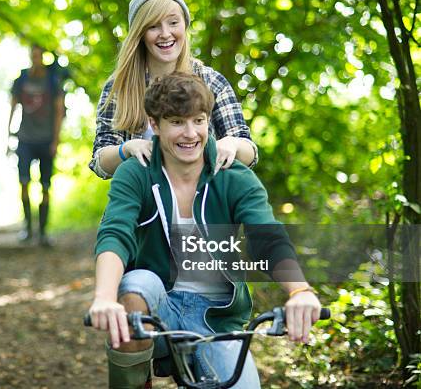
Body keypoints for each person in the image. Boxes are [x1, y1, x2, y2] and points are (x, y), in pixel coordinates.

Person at [87, 73, 322, 388]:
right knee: (135, 285)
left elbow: (267, 238)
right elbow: (115, 234)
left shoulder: (234, 176)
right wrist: (104, 298)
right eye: (176, 122)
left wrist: (299, 290)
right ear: (154, 126)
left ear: (208, 120)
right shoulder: (136, 173)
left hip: (218, 316)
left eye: (198, 120)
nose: (190, 134)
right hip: (160, 304)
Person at [90, 0, 258, 180]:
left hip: (203, 202)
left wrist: (233, 144)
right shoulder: (121, 86)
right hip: (143, 204)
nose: (165, 33)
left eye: (173, 22)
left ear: (185, 25)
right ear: (140, 34)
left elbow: (250, 154)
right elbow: (100, 163)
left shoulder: (211, 81)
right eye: (153, 26)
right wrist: (126, 150)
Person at [8, 44, 65, 246]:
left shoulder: (52, 80)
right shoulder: (21, 79)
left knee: (46, 186)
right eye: (33, 55)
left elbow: (59, 111)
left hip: (46, 139)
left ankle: (42, 231)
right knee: (24, 182)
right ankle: (28, 228)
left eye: (39, 56)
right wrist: (8, 135)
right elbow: (13, 106)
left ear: (43, 58)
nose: (36, 58)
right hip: (25, 138)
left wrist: (56, 140)